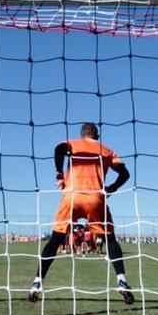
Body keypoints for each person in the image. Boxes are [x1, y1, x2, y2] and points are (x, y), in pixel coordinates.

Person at [28, 123, 134, 304]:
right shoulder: (107, 150)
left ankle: (37, 282)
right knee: (110, 240)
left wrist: (59, 174)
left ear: (82, 134)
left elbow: (59, 148)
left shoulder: (73, 144)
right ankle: (122, 281)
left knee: (55, 240)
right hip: (96, 199)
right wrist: (112, 188)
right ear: (97, 135)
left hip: (72, 197)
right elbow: (125, 174)